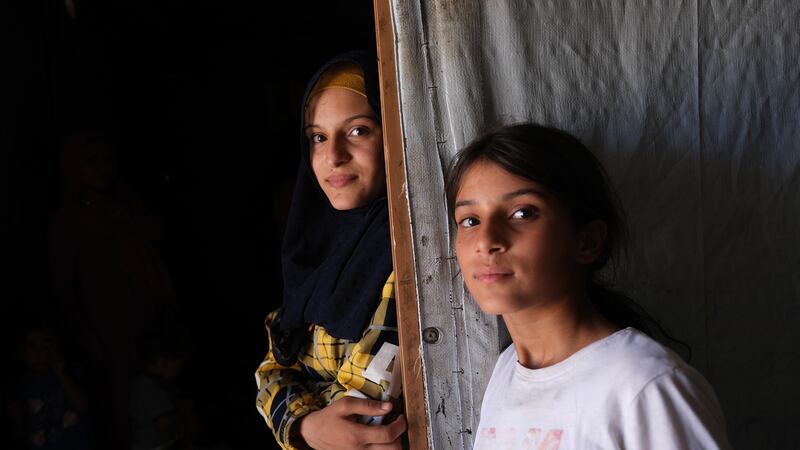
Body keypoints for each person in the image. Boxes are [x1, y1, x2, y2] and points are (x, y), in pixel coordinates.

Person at [446, 123, 732, 449]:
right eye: (470, 220)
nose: (486, 241)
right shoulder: (507, 369)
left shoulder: (646, 387)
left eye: (522, 213)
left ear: (588, 242)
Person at [254, 51, 406, 450]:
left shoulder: (407, 250)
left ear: (393, 131)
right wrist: (306, 429)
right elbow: (270, 369)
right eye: (318, 137)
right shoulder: (312, 249)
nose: (333, 155)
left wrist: (296, 417)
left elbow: (364, 414)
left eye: (357, 131)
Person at [49, 131, 177, 449]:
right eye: (91, 161)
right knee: (118, 407)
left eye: (106, 160)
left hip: (144, 318)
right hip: (105, 327)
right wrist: (85, 337)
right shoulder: (69, 219)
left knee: (158, 399)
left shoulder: (122, 201)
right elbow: (64, 288)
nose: (101, 169)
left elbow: (156, 232)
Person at [6, 317, 92, 450]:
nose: (40, 352)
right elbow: (17, 425)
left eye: (46, 344)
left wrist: (62, 374)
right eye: (32, 346)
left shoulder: (70, 371)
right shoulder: (21, 385)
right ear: (22, 352)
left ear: (57, 345)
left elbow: (82, 405)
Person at [130, 324, 192, 450]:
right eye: (177, 365)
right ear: (162, 362)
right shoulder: (149, 386)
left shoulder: (151, 383)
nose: (178, 370)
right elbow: (163, 423)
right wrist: (183, 412)